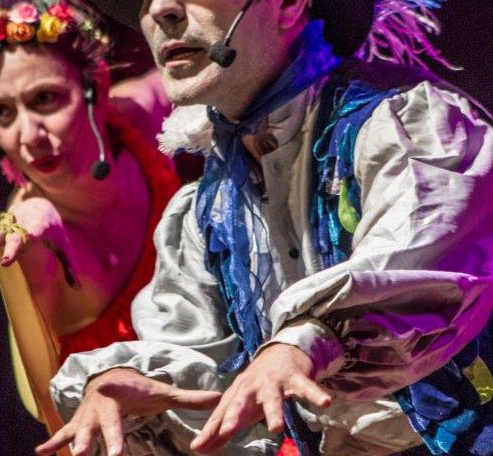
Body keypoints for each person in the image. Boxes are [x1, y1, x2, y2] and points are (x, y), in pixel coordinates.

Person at [38, 0, 493, 455]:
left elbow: (418, 264)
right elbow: (201, 359)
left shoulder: (407, 126)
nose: (161, 9)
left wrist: (302, 343)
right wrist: (132, 383)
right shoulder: (210, 204)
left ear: (289, 5)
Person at [0, 0, 182, 426]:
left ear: (97, 86)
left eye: (45, 98)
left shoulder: (134, 117)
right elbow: (45, 407)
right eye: (2, 113)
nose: (29, 135)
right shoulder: (27, 239)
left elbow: (191, 79)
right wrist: (31, 246)